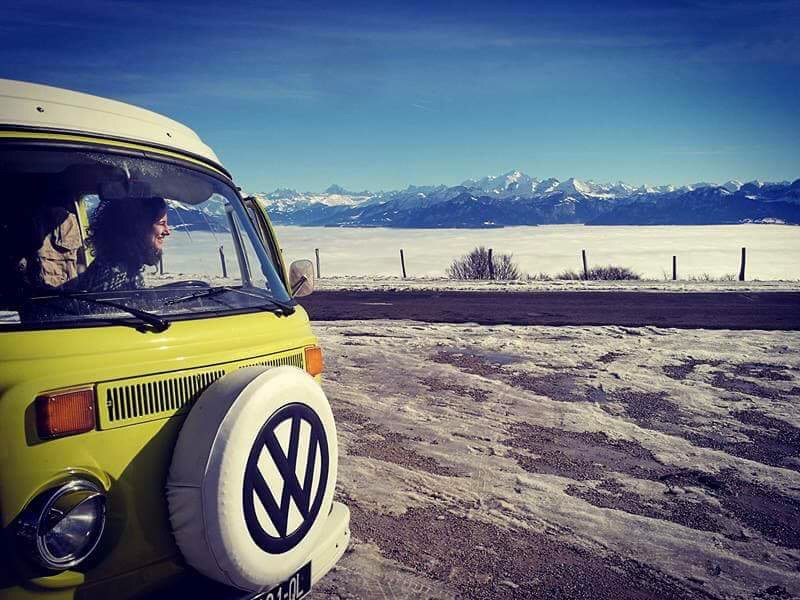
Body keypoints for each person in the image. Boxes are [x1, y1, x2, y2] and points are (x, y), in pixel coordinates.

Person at [68, 196, 171, 292]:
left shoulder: (125, 267)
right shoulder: (113, 273)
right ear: (137, 228)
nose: (167, 231)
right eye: (161, 223)